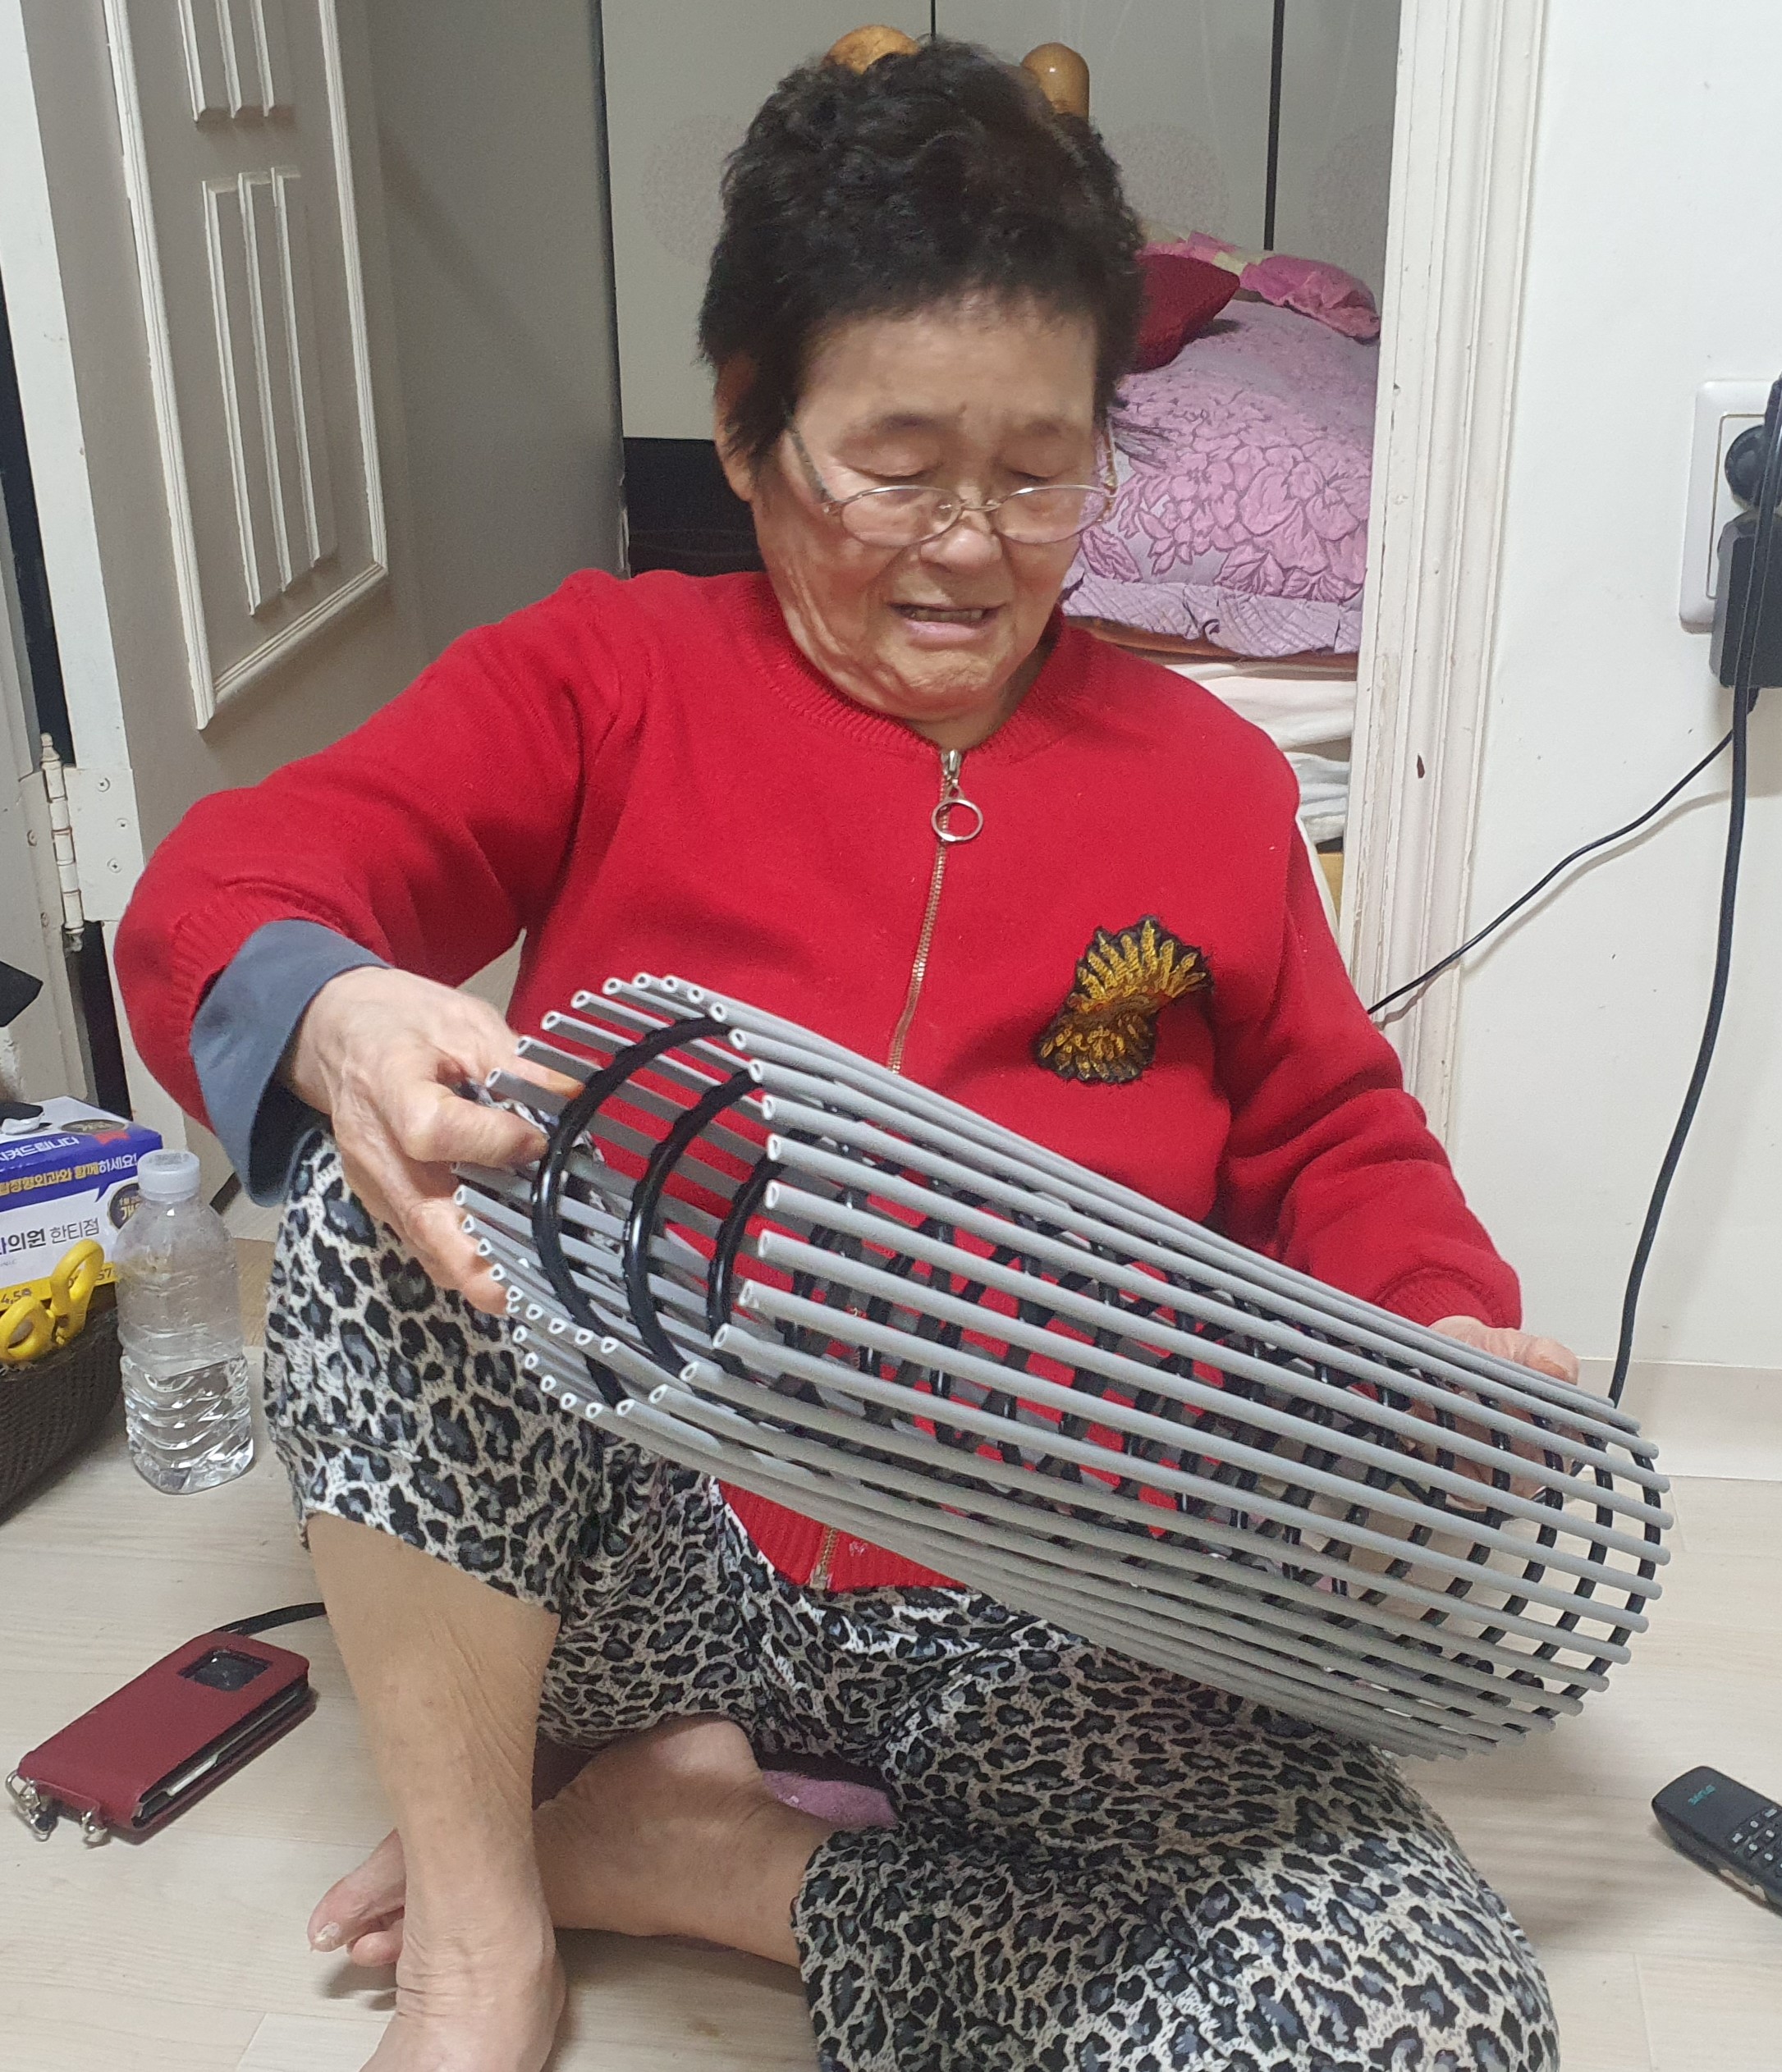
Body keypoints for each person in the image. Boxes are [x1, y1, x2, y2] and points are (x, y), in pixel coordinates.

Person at [118, 40, 1568, 2072]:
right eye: (895, 466)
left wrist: (1440, 1339)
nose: (970, 547)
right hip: (644, 1557)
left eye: (1041, 473)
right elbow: (227, 890)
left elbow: (1334, 1130)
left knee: (1423, 2022)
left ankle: (706, 1862)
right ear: (745, 425)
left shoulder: (1211, 786)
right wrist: (345, 1013)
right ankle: (482, 1926)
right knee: (418, 1158)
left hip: (1046, 1591)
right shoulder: (606, 674)